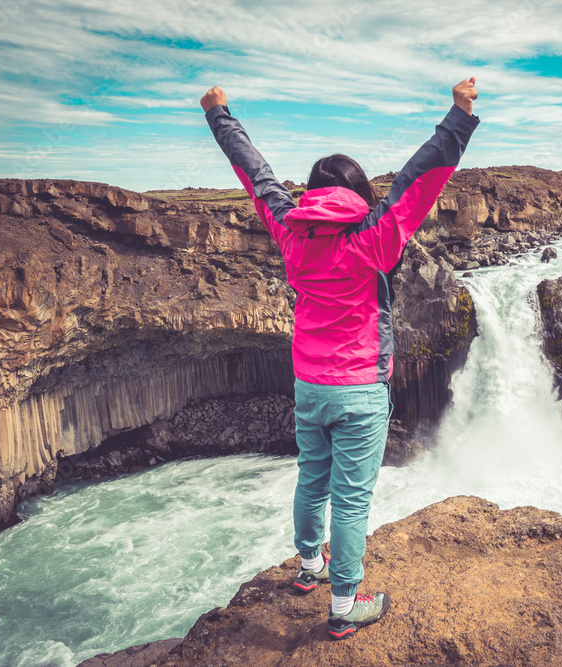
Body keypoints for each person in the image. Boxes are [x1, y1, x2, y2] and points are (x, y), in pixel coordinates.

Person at [200, 77, 479, 638]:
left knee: (311, 479)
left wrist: (219, 115)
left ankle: (309, 566)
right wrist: (459, 114)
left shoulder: (290, 231)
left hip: (309, 384)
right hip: (361, 390)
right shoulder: (375, 237)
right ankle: (346, 604)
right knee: (351, 500)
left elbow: (255, 174)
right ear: (356, 194)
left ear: (312, 193)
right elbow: (418, 179)